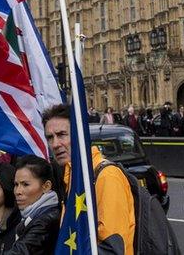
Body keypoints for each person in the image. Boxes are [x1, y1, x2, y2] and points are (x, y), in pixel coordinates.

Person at [43, 104, 135, 253]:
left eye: (62, 135)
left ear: (79, 133)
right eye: (50, 137)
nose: (55, 144)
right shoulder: (72, 175)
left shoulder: (106, 176)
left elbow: (113, 248)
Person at [0, 156, 60, 254]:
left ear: (46, 186)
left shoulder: (47, 221)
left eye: (25, 184)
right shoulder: (31, 216)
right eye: (16, 184)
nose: (18, 191)